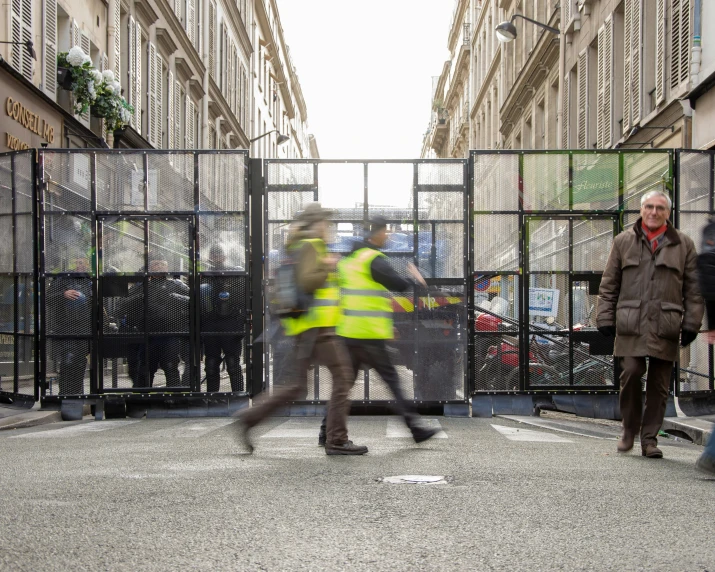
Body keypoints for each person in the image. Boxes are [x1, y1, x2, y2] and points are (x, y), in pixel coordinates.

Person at [237, 203, 367, 455]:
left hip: (305, 327)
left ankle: (250, 417)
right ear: (317, 224)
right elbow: (308, 282)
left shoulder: (298, 245)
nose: (330, 228)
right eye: (327, 223)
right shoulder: (312, 245)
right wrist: (328, 266)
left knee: (296, 386)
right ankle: (337, 440)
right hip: (319, 328)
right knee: (342, 379)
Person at [596, 190, 703, 458]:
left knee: (659, 385)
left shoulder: (684, 245)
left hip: (666, 324)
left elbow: (694, 289)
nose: (654, 212)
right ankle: (629, 429)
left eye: (660, 208)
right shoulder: (623, 241)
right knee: (631, 372)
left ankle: (650, 440)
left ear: (668, 213)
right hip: (631, 323)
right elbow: (609, 284)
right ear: (641, 210)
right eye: (649, 207)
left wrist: (691, 323)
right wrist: (605, 316)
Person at [317, 215, 440, 446]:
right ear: (376, 233)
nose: (389, 235)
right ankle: (416, 429)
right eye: (386, 231)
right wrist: (417, 281)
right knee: (393, 382)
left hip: (348, 332)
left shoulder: (348, 261)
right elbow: (398, 285)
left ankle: (325, 432)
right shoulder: (372, 258)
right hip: (368, 335)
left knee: (342, 387)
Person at [121, 256, 190, 388]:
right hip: (147, 334)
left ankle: (174, 400)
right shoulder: (141, 287)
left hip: (170, 334)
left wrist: (176, 297)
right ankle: (143, 400)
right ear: (150, 268)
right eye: (155, 265)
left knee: (171, 367)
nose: (158, 267)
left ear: (167, 268)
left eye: (161, 264)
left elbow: (192, 300)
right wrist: (140, 297)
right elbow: (122, 304)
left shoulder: (176, 285)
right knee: (145, 369)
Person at [201, 244, 246, 392]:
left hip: (231, 324)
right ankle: (213, 398)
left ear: (224, 256)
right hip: (211, 324)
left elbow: (243, 299)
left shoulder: (234, 274)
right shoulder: (204, 276)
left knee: (233, 363)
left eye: (219, 255)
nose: (216, 258)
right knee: (211, 364)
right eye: (214, 255)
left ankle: (238, 397)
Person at [46, 257, 92, 395]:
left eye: (82, 262)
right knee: (68, 360)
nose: (79, 265)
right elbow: (48, 298)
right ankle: (65, 393)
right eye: (77, 262)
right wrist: (63, 294)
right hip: (66, 326)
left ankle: (76, 392)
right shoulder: (63, 278)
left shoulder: (91, 280)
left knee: (80, 362)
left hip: (85, 328)